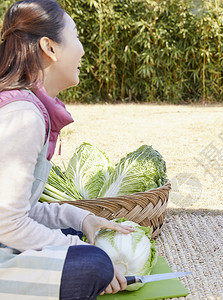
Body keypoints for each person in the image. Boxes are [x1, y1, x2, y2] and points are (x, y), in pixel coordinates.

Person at [0, 0, 134, 298]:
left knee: (77, 237)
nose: (82, 50)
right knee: (94, 262)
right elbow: (7, 222)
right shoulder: (22, 115)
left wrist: (81, 220)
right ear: (50, 47)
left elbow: (20, 209)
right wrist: (82, 251)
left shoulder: (24, 106)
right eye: (75, 36)